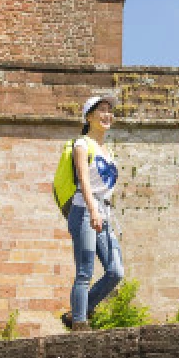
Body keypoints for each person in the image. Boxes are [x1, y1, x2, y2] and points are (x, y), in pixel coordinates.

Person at [61, 95, 125, 331]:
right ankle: (79, 322)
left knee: (116, 271)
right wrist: (92, 210)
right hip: (85, 209)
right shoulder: (82, 144)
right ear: (89, 117)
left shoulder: (107, 150)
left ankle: (80, 310)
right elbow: (84, 181)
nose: (107, 115)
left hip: (104, 212)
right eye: (102, 110)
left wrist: (102, 211)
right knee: (85, 269)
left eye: (110, 111)